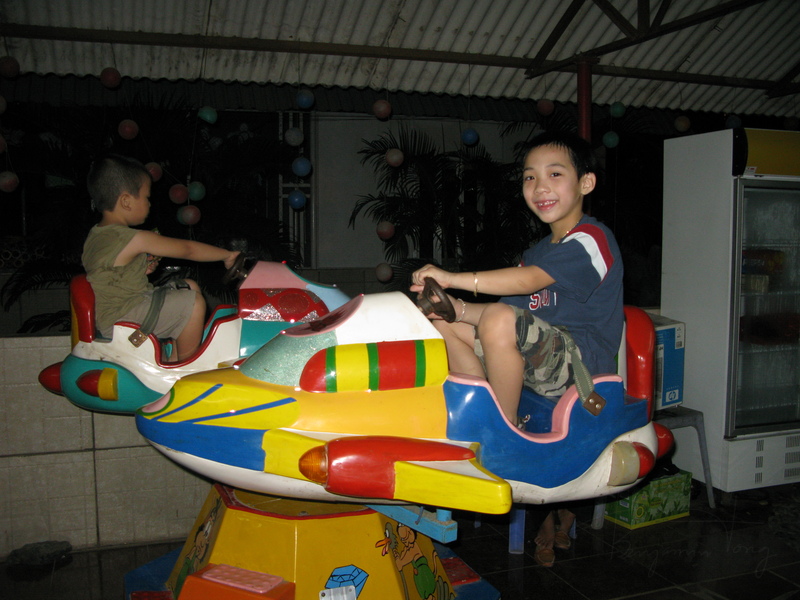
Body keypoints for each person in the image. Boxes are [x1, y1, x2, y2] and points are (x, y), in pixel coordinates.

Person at [410, 130, 623, 567]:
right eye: (529, 177)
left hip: (580, 367)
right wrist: (453, 307)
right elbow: (503, 316)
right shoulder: (537, 251)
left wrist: (453, 278)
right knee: (439, 322)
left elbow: (523, 288)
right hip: (539, 356)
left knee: (497, 318)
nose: (540, 186)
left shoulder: (591, 239)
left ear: (586, 182)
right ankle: (476, 414)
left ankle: (503, 434)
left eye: (555, 174)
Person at [82, 155, 240, 362]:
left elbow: (109, 271)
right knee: (193, 304)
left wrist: (140, 267)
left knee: (189, 286)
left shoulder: (97, 235)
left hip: (116, 313)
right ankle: (184, 368)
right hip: (122, 319)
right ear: (126, 201)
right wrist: (227, 255)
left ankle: (173, 358)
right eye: (146, 197)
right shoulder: (134, 238)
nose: (149, 204)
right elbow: (187, 249)